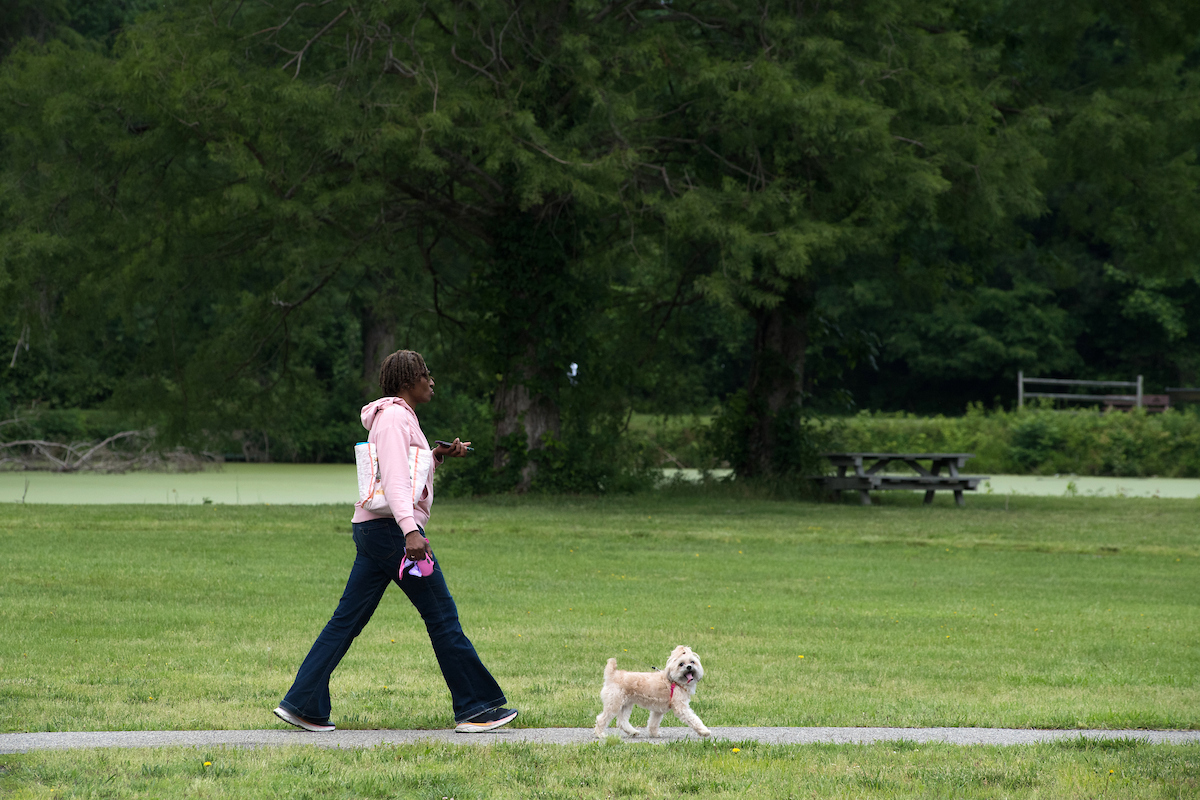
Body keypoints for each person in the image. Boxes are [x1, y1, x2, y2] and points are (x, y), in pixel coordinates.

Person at [273, 349, 517, 733]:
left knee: (347, 620)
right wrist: (410, 531)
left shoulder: (401, 418)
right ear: (407, 381)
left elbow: (403, 471)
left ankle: (303, 704)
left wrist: (434, 457)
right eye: (425, 374)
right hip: (391, 534)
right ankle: (476, 708)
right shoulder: (392, 419)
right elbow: (394, 479)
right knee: (441, 615)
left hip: (380, 532)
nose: (431, 381)